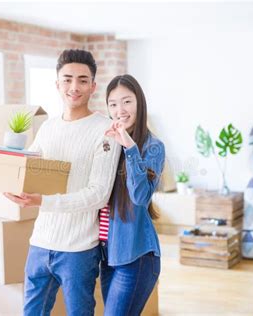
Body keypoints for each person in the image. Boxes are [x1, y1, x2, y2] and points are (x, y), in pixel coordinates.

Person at [3, 49, 121, 315]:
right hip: (40, 244)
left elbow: (98, 194)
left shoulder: (106, 131)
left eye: (82, 80)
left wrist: (42, 201)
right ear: (57, 84)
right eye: (67, 79)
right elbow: (26, 170)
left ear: (93, 86)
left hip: (78, 250)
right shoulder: (48, 128)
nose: (74, 87)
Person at [99, 74, 165, 315]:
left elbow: (140, 197)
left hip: (136, 257)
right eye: (113, 104)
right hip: (108, 255)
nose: (120, 110)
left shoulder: (152, 146)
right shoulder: (107, 142)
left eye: (127, 101)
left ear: (139, 103)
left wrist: (129, 147)